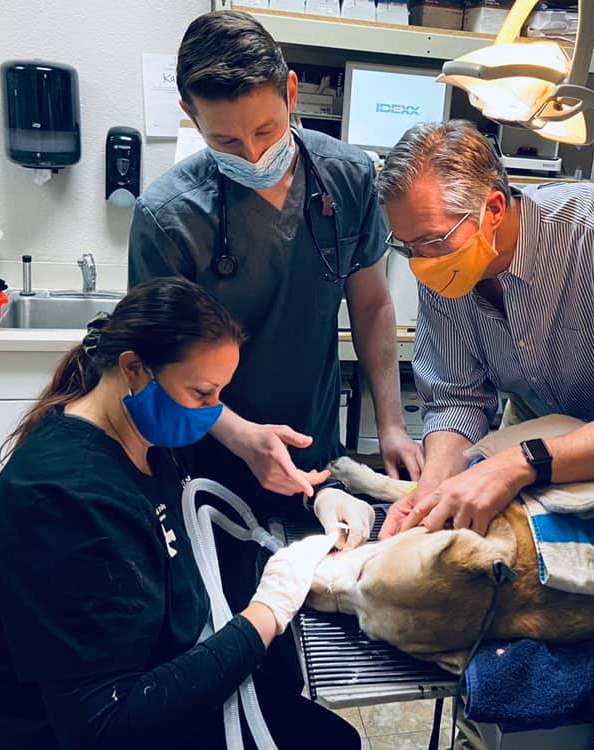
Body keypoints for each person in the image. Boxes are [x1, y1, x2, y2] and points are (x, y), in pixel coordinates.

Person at [129, 10, 421, 697]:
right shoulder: (170, 215)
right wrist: (236, 433)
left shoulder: (346, 178)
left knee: (312, 634)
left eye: (266, 130)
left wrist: (394, 426)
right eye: (225, 139)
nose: (254, 153)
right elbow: (157, 364)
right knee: (227, 637)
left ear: (291, 93)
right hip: (205, 456)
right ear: (189, 117)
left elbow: (373, 305)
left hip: (314, 453)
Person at [0, 278, 366, 749]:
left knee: (330, 737)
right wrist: (265, 613)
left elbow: (242, 486)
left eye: (220, 394)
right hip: (54, 731)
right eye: (202, 393)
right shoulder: (66, 499)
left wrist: (321, 494)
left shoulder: (148, 438)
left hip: (145, 680)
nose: (214, 414)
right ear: (134, 369)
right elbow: (103, 728)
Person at [375, 120, 594, 539]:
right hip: (540, 435)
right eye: (408, 248)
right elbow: (456, 399)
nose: (422, 264)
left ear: (492, 209)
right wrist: (432, 490)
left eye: (434, 242)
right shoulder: (447, 268)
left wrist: (517, 463)